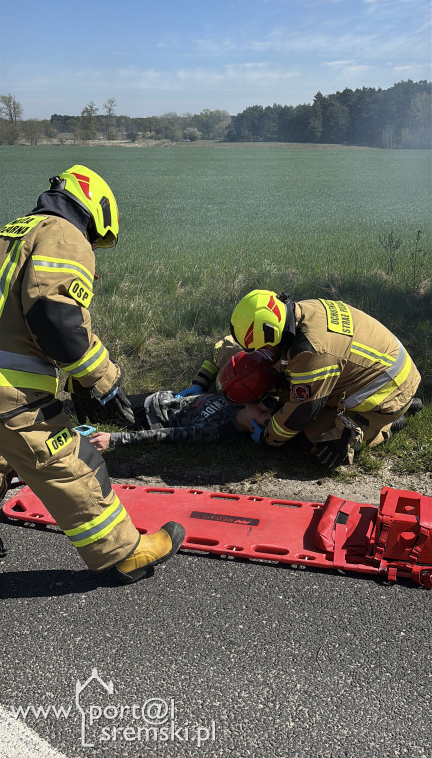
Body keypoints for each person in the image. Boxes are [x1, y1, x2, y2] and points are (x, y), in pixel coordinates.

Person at [0, 165, 184, 583]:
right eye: (97, 240)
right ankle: (123, 554)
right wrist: (103, 380)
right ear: (96, 209)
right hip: (12, 391)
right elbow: (57, 322)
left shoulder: (10, 232)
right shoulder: (64, 235)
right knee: (74, 463)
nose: (92, 247)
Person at [226, 289, 422, 468]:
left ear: (271, 333)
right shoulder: (302, 310)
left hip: (388, 393)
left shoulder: (310, 351)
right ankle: (400, 406)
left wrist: (268, 437)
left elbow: (302, 410)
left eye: (262, 347)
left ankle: (386, 426)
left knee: (311, 442)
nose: (262, 352)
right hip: (385, 371)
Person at [88, 390, 275, 451]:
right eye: (268, 407)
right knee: (97, 398)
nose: (264, 408)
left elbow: (166, 435)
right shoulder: (236, 399)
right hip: (159, 397)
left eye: (265, 416)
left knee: (90, 411)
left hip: (147, 416)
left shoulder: (218, 430)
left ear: (253, 428)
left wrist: (113, 439)